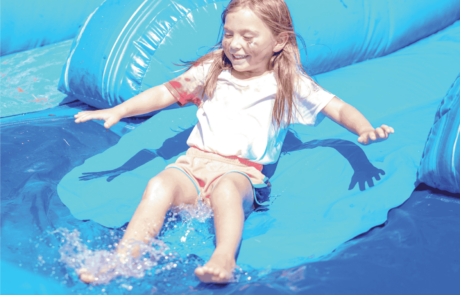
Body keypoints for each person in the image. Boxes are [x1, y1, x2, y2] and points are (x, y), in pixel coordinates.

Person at [74, 0, 394, 284]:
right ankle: (125, 258)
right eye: (229, 34)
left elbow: (335, 106)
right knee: (159, 184)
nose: (235, 45)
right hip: (193, 164)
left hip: (242, 172)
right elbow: (167, 91)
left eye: (248, 36)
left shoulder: (287, 80)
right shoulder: (214, 66)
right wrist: (121, 109)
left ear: (279, 41)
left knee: (226, 191)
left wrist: (363, 128)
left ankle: (224, 258)